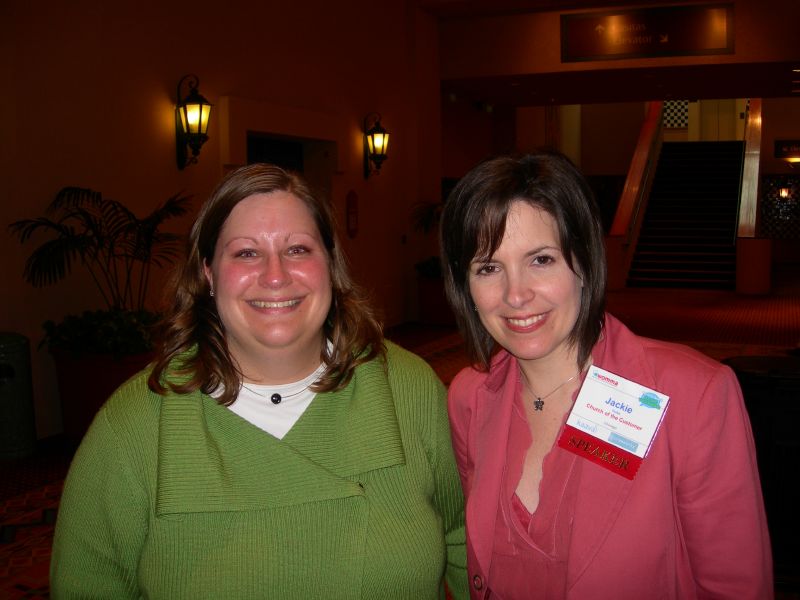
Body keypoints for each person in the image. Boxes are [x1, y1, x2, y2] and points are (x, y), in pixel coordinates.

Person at [50, 164, 468, 599]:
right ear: (209, 273)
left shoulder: (408, 390)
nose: (275, 275)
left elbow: (466, 544)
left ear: (330, 264)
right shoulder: (134, 426)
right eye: (246, 253)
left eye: (298, 249)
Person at [439, 151, 772, 599]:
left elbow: (735, 588)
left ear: (584, 264)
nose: (515, 295)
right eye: (489, 268)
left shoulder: (693, 396)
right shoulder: (469, 397)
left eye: (541, 260)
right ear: (466, 287)